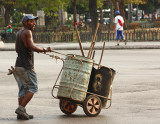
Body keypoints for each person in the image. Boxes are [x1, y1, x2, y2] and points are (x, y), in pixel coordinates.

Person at [13, 15, 52, 120]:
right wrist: (44, 50)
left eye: (34, 21)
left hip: (18, 66)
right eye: (31, 21)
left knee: (22, 90)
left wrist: (28, 51)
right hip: (27, 67)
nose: (34, 23)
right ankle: (21, 109)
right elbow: (31, 46)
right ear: (25, 22)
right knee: (33, 87)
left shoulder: (19, 33)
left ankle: (21, 113)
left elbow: (17, 49)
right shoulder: (27, 32)